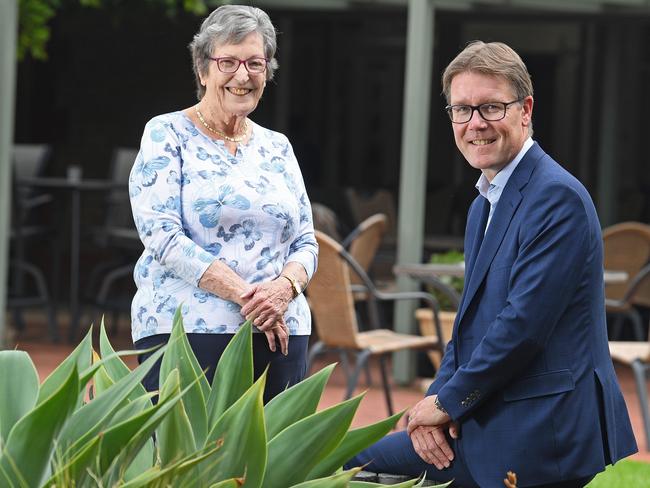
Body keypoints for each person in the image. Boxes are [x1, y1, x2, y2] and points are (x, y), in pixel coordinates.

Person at [347, 41, 637, 487]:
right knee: (350, 460)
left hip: (540, 428)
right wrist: (436, 406)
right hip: (493, 409)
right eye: (461, 110)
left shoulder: (556, 198)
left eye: (490, 108)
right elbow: (468, 329)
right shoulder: (486, 201)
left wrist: (446, 405)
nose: (475, 124)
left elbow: (522, 327)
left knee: (352, 465)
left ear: (526, 109)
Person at [129, 5, 318, 403]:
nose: (243, 75)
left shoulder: (278, 146)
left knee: (272, 464)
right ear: (203, 70)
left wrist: (284, 289)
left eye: (255, 62)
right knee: (186, 462)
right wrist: (251, 299)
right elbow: (161, 236)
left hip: (281, 331)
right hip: (188, 332)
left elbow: (306, 242)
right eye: (228, 62)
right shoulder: (166, 134)